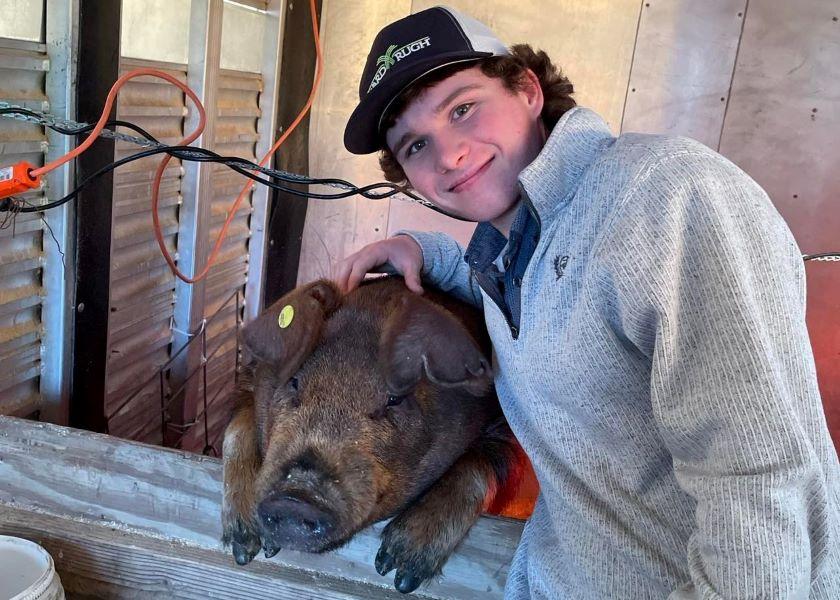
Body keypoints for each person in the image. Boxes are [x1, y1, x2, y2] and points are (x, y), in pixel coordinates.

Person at [332, 6, 840, 598]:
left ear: (525, 88)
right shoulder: (517, 241)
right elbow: (558, 313)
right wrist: (420, 249)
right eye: (416, 145)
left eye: (462, 109)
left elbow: (758, 480)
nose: (448, 156)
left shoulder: (667, 198)